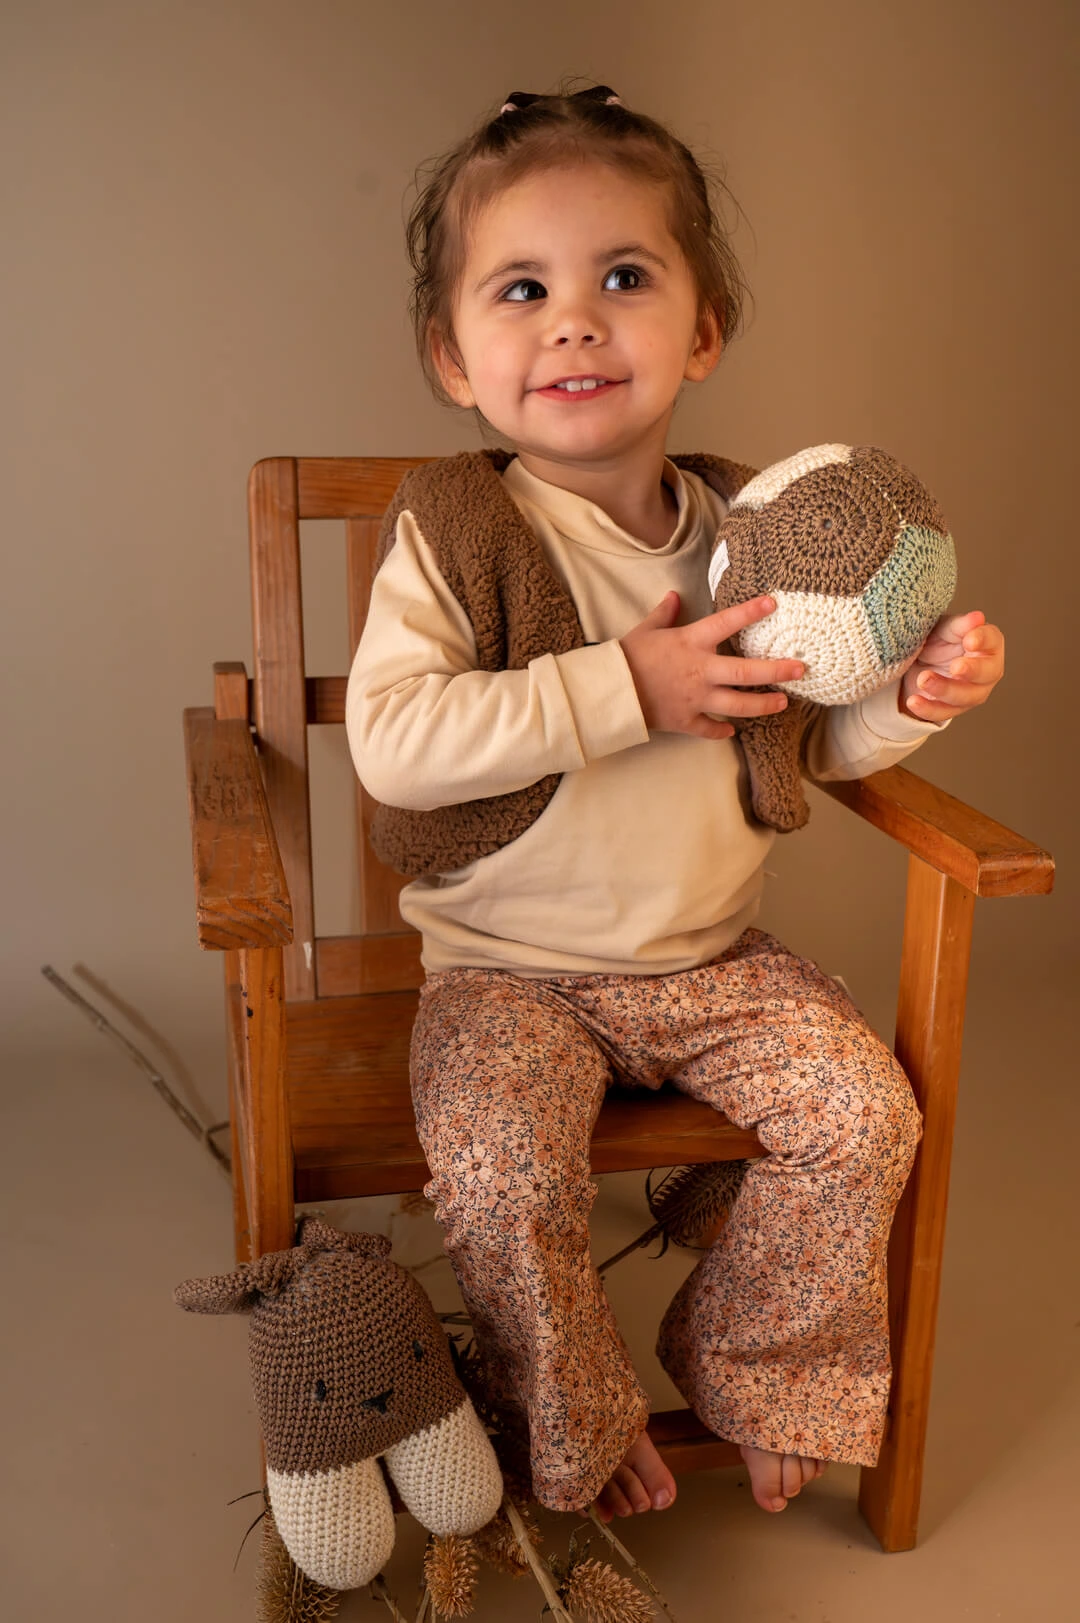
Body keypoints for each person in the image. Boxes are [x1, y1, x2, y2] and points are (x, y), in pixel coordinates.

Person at [345, 85, 1004, 1526]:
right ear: (452, 356)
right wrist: (623, 689)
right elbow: (395, 745)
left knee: (863, 1112)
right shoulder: (460, 532)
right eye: (523, 290)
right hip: (506, 975)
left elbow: (810, 750)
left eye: (624, 279)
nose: (576, 322)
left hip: (710, 968)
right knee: (507, 1164)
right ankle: (571, 1405)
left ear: (702, 331)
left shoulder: (756, 534)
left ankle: (752, 1360)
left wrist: (910, 697)